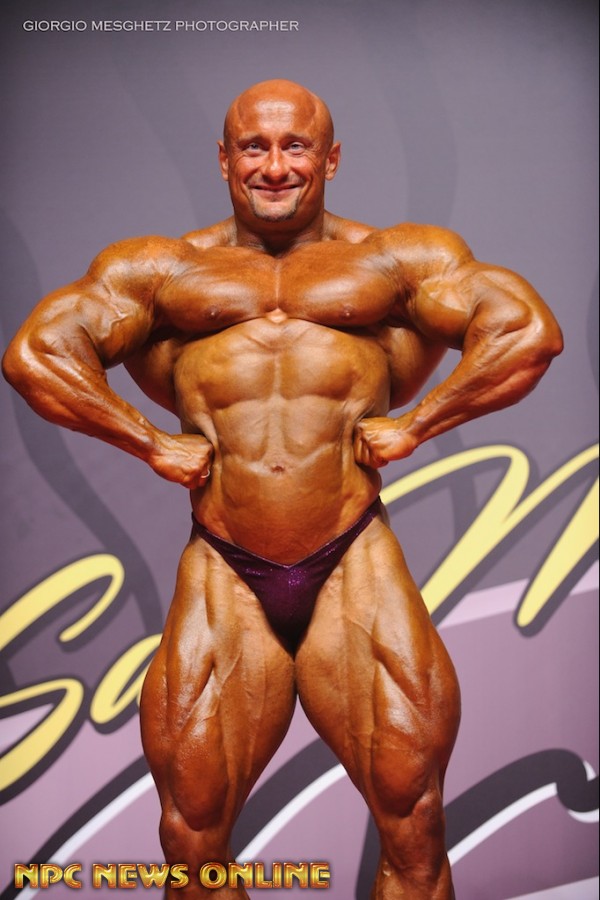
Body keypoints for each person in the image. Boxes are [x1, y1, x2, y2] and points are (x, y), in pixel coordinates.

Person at [2, 79, 563, 898]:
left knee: (414, 823)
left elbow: (526, 332)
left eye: (294, 146)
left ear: (329, 159)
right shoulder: (161, 271)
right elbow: (37, 354)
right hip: (225, 569)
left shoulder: (397, 261)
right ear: (223, 158)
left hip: (354, 563)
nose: (274, 167)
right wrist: (148, 442)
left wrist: (420, 423)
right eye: (254, 148)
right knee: (192, 837)